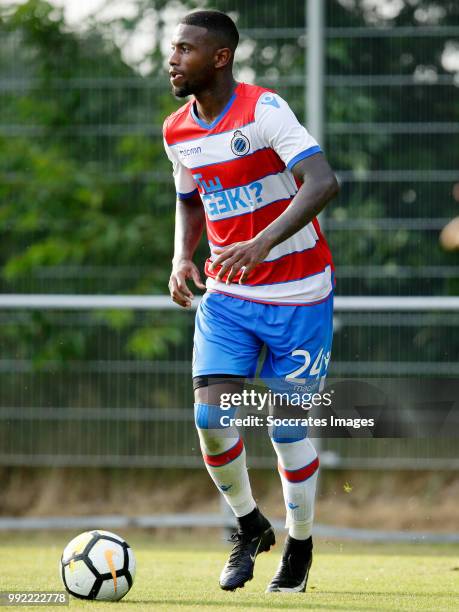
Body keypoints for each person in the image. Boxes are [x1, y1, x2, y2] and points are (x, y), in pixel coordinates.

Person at [163, 10, 339, 594]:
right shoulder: (176, 131)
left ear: (220, 57)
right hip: (229, 295)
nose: (172, 59)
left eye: (185, 49)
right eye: (172, 48)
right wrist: (181, 257)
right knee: (212, 420)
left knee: (286, 431)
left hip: (300, 295)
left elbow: (322, 182)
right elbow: (191, 199)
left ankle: (301, 542)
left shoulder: (264, 110)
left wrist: (262, 242)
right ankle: (248, 525)